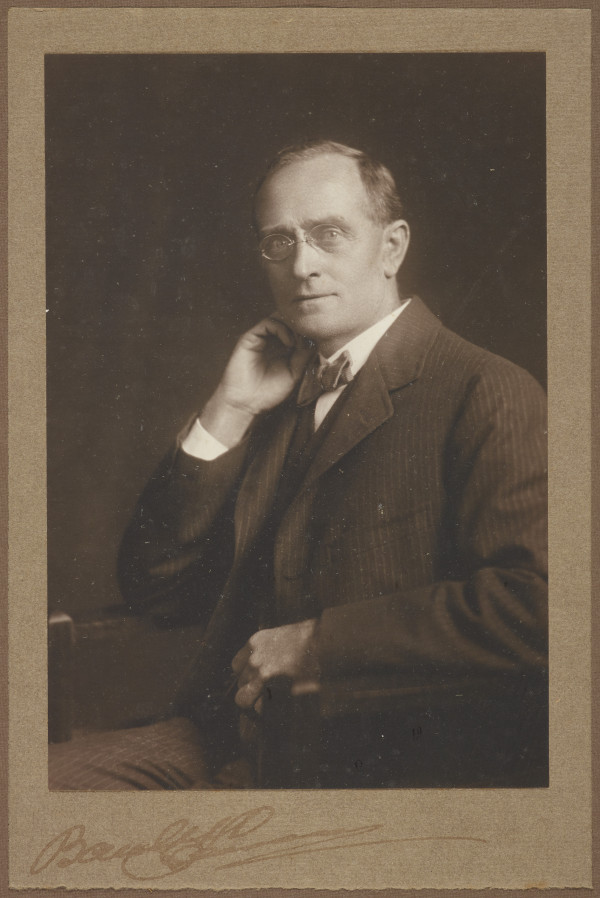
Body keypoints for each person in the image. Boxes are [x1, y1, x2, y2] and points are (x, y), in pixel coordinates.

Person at [50, 140, 548, 790]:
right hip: (218, 734)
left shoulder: (485, 389)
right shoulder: (275, 393)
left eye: (328, 234)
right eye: (278, 243)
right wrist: (226, 409)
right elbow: (157, 589)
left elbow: (541, 606)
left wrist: (320, 643)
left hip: (371, 761)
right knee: (29, 797)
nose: (303, 265)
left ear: (392, 246)